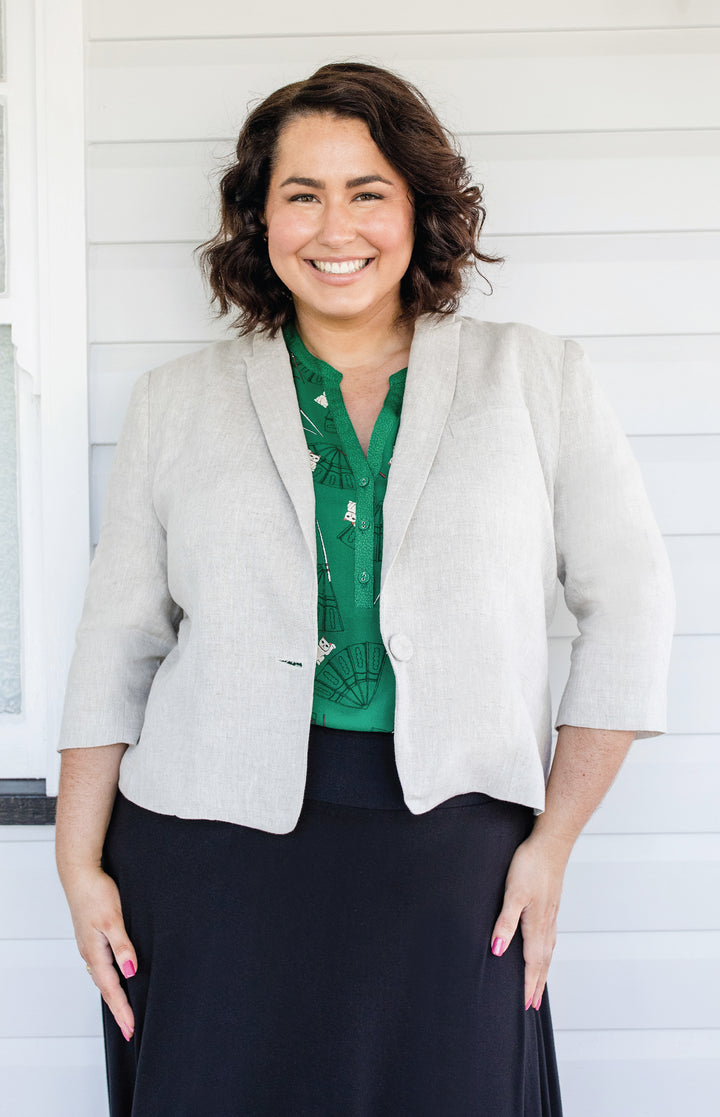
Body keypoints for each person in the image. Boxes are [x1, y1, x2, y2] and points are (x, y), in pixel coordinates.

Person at [55, 61, 675, 1116]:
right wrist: (78, 864)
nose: (333, 227)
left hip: (457, 853)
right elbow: (119, 642)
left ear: (420, 208)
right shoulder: (174, 403)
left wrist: (551, 847)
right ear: (259, 219)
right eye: (301, 193)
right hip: (207, 856)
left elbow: (632, 607)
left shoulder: (536, 378)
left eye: (368, 191)